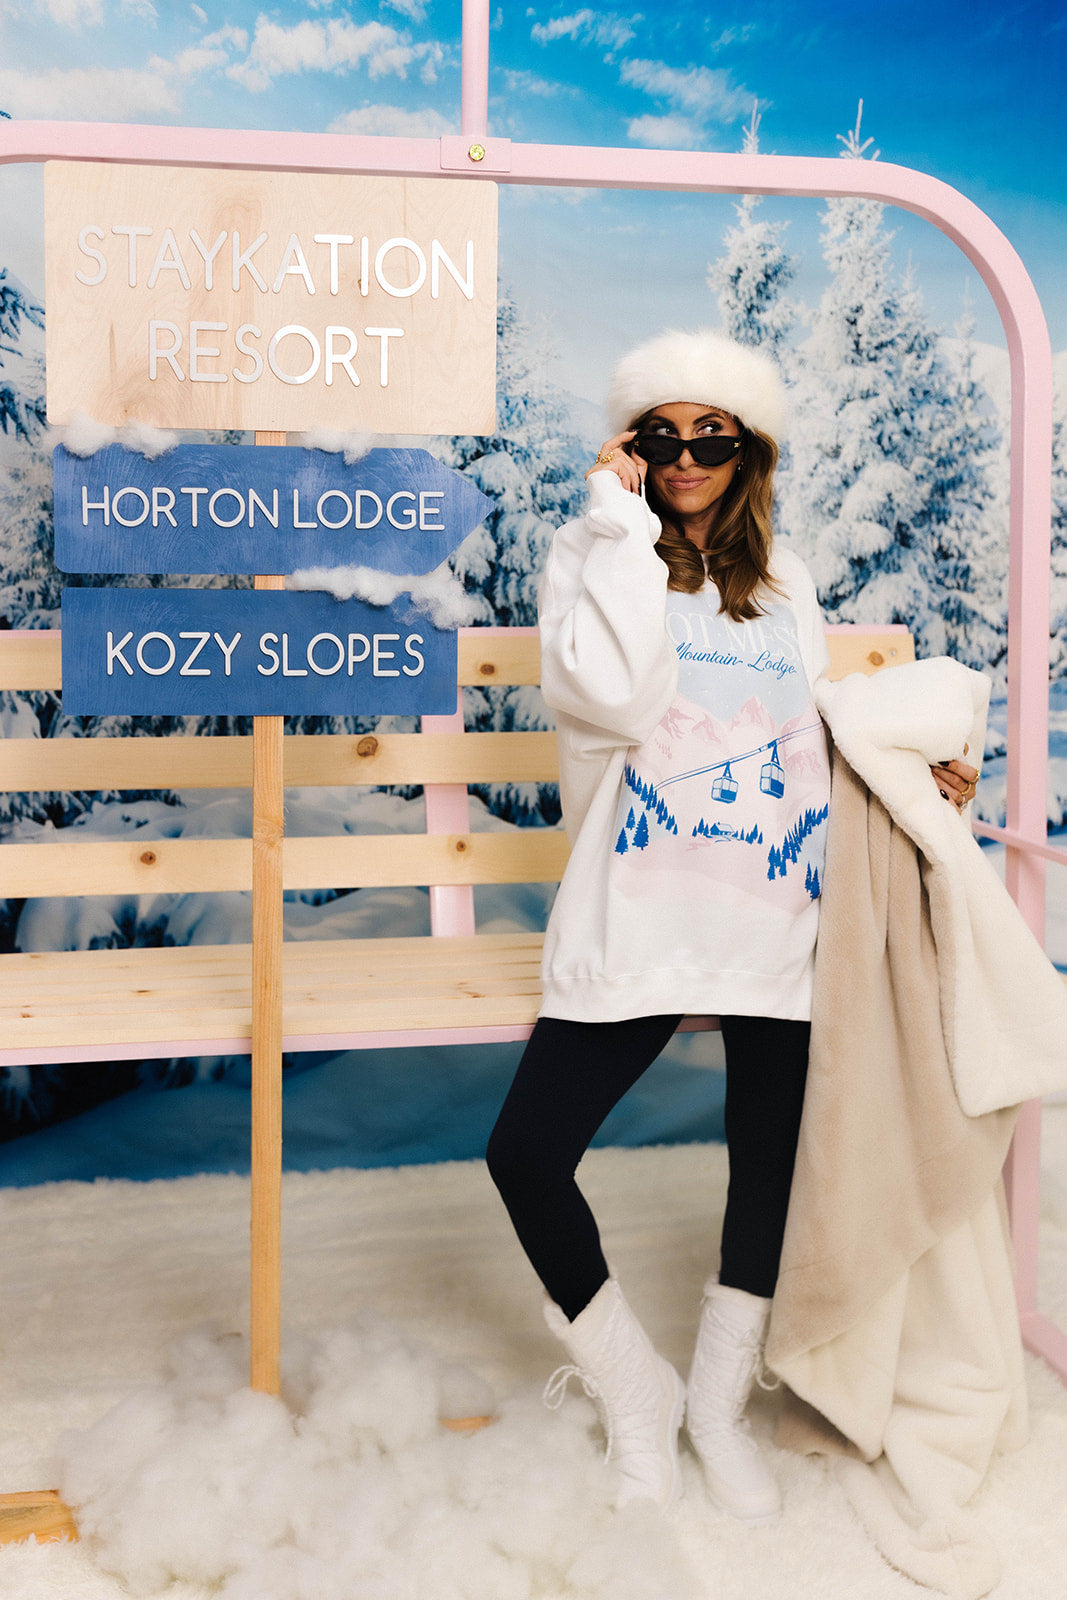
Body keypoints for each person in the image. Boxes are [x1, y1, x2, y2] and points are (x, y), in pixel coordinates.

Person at [485, 329, 978, 1520]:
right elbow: (611, 695)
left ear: (746, 448)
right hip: (642, 907)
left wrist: (918, 772)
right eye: (660, 434)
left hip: (777, 913)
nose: (686, 454)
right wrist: (611, 521)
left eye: (711, 434)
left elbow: (813, 730)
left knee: (767, 1165)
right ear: (631, 449)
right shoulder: (592, 551)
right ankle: (635, 1392)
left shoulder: (786, 581)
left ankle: (712, 1402)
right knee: (525, 1154)